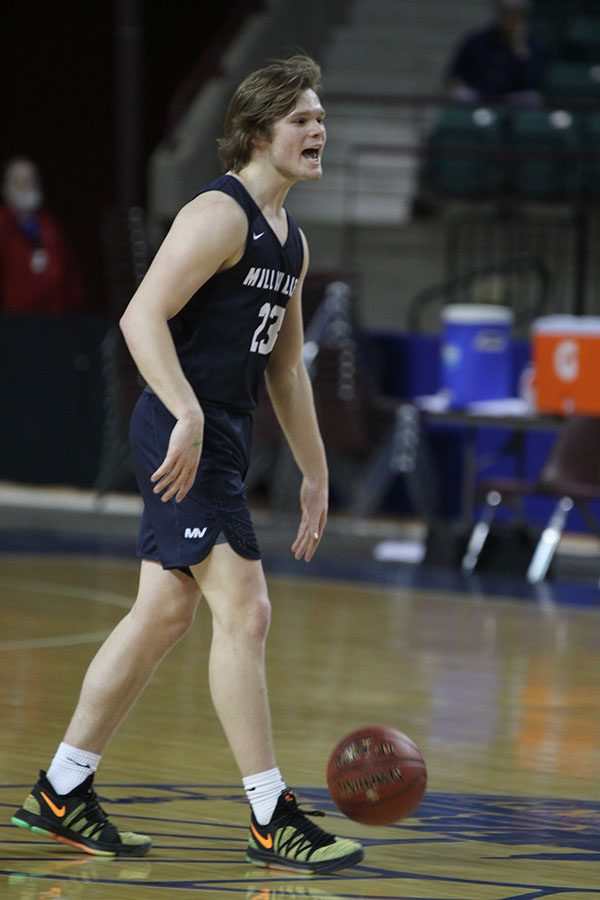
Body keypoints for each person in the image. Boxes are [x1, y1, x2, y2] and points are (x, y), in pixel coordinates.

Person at [11, 55, 364, 875]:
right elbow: (140, 318)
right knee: (246, 611)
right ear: (256, 132)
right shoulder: (219, 215)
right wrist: (189, 411)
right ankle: (272, 814)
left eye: (321, 118)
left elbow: (284, 367)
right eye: (302, 119)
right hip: (180, 433)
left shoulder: (292, 241)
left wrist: (313, 472)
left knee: (163, 615)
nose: (319, 130)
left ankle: (61, 794)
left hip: (220, 438)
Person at [0, 157, 84, 314]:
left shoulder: (49, 224)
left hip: (53, 319)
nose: (26, 187)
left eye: (31, 181)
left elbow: (69, 271)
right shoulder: (3, 224)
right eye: (19, 181)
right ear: (5, 188)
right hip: (12, 322)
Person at [445, 0, 546, 107]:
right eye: (507, 13)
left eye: (515, 14)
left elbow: (533, 82)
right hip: (478, 96)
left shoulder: (533, 44)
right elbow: (456, 73)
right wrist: (456, 83)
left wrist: (519, 49)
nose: (510, 19)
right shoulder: (478, 40)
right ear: (499, 13)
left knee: (532, 97)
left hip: (512, 99)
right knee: (461, 95)